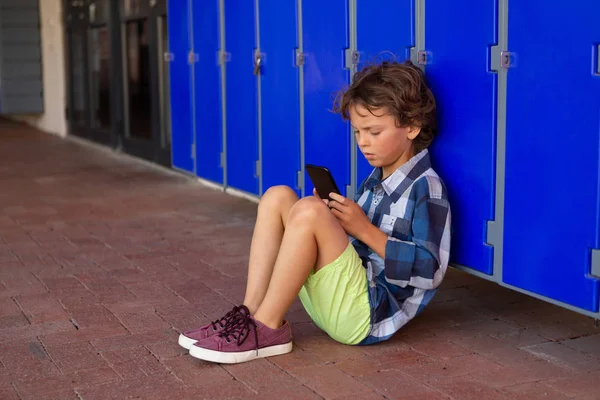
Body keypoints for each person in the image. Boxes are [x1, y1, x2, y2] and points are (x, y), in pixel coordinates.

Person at [178, 60, 452, 364]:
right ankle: (250, 314)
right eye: (358, 132)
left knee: (308, 211)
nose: (363, 142)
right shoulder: (377, 180)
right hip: (347, 295)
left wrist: (359, 228)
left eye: (374, 131)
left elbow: (432, 271)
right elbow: (356, 247)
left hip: (366, 316)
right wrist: (335, 220)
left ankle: (267, 328)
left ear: (412, 126)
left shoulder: (426, 187)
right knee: (277, 196)